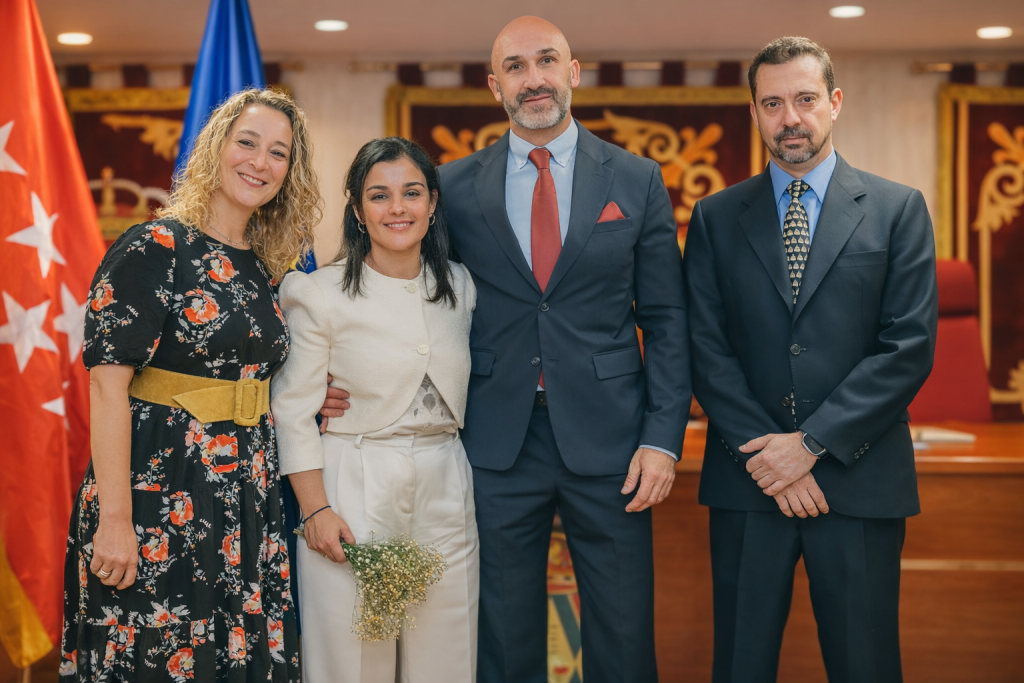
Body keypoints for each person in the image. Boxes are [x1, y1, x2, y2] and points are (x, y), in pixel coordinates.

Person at [325, 15, 688, 682]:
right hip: (493, 442)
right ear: (496, 87)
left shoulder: (636, 179)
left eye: (547, 61)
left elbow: (667, 320)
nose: (534, 78)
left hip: (612, 444)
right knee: (498, 630)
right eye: (515, 68)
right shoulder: (455, 186)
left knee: (624, 628)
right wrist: (334, 369)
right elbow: (401, 289)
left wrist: (662, 439)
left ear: (574, 71)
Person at [684, 36, 938, 683]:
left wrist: (813, 444)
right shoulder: (715, 217)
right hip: (749, 482)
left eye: (803, 99)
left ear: (834, 102)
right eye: (772, 103)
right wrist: (772, 457)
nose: (789, 117)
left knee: (866, 664)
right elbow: (705, 348)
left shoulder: (897, 209)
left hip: (859, 481)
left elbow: (907, 347)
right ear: (754, 111)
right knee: (740, 664)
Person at [61, 88, 322, 681]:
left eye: (278, 153)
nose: (260, 162)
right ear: (216, 148)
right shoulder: (152, 248)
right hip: (160, 496)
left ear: (290, 172)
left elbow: (257, 377)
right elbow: (107, 390)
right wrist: (116, 521)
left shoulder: (264, 266)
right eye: (247, 142)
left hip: (245, 500)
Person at [271, 137, 479, 682]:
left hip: (445, 476)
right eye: (379, 196)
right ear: (358, 210)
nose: (398, 209)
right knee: (354, 653)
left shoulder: (459, 283)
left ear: (433, 203)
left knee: (447, 648)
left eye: (412, 193)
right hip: (354, 478)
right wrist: (314, 509)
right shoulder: (320, 293)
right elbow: (292, 410)